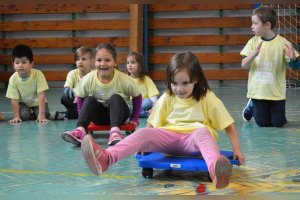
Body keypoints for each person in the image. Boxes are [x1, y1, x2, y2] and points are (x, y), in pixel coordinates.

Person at [81, 52, 245, 189]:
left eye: (185, 83)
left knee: (202, 132)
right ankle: (106, 158)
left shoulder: (207, 97)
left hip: (194, 141)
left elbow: (227, 124)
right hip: (169, 139)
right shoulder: (168, 96)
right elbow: (152, 123)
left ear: (195, 79)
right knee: (144, 131)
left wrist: (236, 149)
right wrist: (145, 144)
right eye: (174, 83)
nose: (179, 89)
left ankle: (216, 172)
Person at [61, 43, 142, 146]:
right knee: (89, 99)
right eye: (99, 60)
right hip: (99, 117)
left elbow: (137, 97)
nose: (103, 64)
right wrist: (84, 120)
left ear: (115, 62)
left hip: (120, 116)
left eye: (107, 60)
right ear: (94, 62)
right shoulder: (88, 79)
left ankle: (115, 132)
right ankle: (80, 130)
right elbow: (81, 98)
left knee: (116, 97)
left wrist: (134, 119)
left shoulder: (124, 79)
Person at [241, 6, 299, 127]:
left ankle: (255, 107)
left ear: (267, 25)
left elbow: (295, 66)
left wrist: (293, 59)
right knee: (262, 124)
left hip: (276, 93)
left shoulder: (283, 43)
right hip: (258, 92)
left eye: (255, 23)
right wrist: (254, 54)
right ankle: (251, 105)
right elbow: (244, 64)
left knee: (279, 123)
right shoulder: (253, 42)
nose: (252, 26)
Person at [6, 44, 50, 123]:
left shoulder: (38, 74)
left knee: (45, 114)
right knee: (23, 116)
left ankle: (36, 113)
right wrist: (16, 116)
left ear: (31, 64)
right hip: (23, 103)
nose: (20, 65)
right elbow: (14, 99)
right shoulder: (13, 79)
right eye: (17, 62)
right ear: (13, 65)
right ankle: (31, 114)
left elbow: (41, 95)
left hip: (37, 102)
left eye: (24, 62)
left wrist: (41, 114)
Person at [51, 46, 95, 120]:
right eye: (78, 59)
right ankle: (83, 113)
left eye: (83, 59)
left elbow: (95, 92)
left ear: (91, 61)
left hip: (88, 100)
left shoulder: (94, 74)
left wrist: (80, 96)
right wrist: (76, 93)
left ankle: (66, 114)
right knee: (64, 98)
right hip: (75, 101)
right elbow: (66, 90)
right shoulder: (72, 73)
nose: (80, 62)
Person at [126, 52, 159, 118]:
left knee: (148, 102)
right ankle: (145, 114)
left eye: (132, 62)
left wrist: (154, 108)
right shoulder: (125, 79)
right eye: (128, 63)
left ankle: (134, 113)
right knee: (126, 106)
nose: (129, 65)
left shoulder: (146, 79)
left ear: (140, 65)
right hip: (131, 104)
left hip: (143, 103)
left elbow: (153, 96)